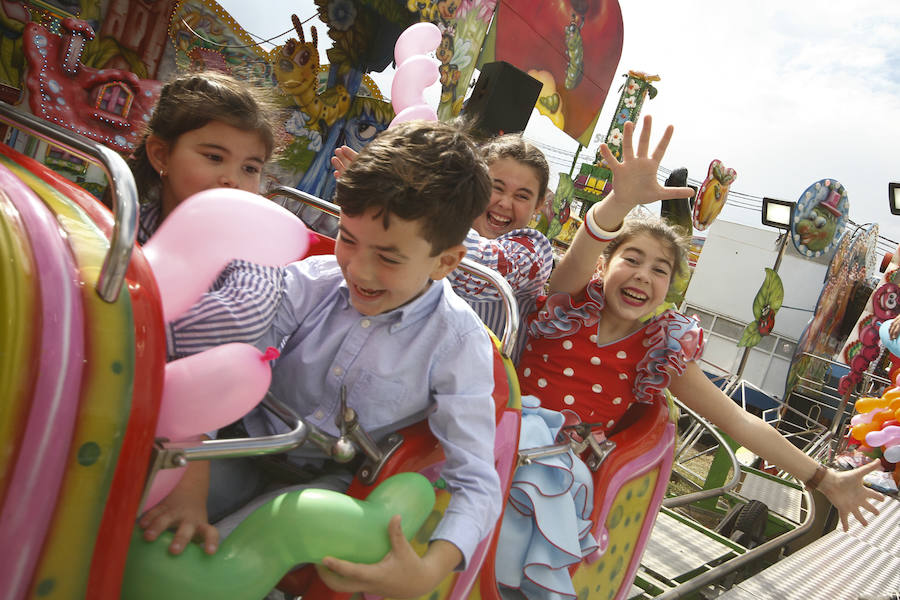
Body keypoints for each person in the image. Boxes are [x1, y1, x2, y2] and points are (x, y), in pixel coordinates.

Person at [497, 115, 886, 599]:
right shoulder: (567, 298)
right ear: (604, 265)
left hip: (554, 467)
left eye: (660, 269)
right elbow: (580, 251)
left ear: (670, 287)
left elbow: (741, 422)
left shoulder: (659, 348)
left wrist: (824, 478)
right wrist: (620, 202)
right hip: (495, 431)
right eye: (631, 259)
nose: (643, 275)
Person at [139, 120, 503, 598]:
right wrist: (194, 463)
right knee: (139, 510)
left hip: (324, 484)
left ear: (445, 262)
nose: (358, 268)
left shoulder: (458, 342)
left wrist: (431, 568)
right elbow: (223, 355)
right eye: (348, 238)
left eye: (389, 258)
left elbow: (477, 480)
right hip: (237, 441)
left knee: (225, 566)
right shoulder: (313, 280)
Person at [332, 132, 554, 363]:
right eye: (496, 187)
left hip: (477, 381)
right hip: (397, 359)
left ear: (538, 204)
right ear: (474, 187)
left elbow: (478, 272)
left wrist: (405, 203)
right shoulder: (422, 224)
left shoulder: (534, 250)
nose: (505, 203)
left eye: (522, 196)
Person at [128, 71, 290, 356]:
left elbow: (245, 311)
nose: (232, 179)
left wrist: (129, 328)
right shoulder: (130, 225)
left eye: (250, 168)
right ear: (161, 155)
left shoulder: (252, 246)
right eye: (215, 157)